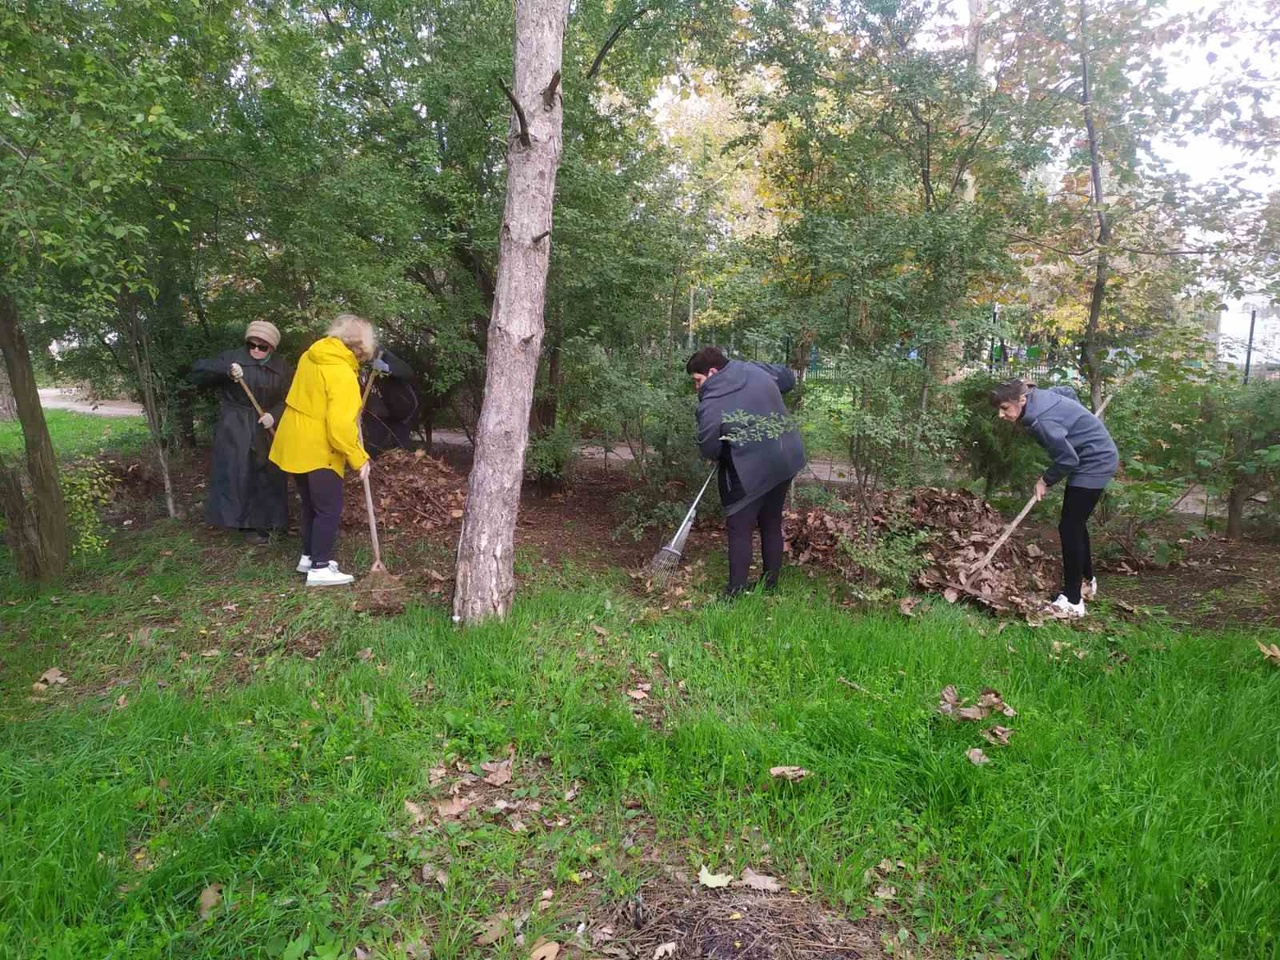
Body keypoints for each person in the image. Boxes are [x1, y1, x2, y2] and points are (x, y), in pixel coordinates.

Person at [991, 379, 1119, 618]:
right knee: (1075, 523)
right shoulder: (1037, 395)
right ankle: (1088, 581)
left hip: (1095, 461)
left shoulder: (1042, 422)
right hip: (1089, 456)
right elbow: (1067, 391)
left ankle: (1073, 601)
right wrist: (1079, 419)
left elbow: (1068, 460)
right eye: (999, 409)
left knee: (1069, 527)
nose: (1001, 414)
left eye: (1005, 408)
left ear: (1021, 400)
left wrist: (1045, 480)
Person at [688, 345, 806, 597]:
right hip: (786, 455)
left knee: (739, 527)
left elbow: (709, 448)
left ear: (712, 372)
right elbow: (787, 378)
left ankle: (734, 594)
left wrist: (724, 449)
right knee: (770, 521)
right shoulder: (752, 369)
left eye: (698, 381)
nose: (697, 387)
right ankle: (770, 585)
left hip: (753, 466)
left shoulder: (712, 399)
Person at [269, 314, 375, 587]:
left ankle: (309, 556)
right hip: (319, 449)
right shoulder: (341, 373)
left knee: (311, 505)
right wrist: (358, 457)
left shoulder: (311, 355)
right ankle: (319, 568)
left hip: (294, 441)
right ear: (361, 347)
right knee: (328, 508)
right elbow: (339, 428)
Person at [189, 320, 292, 544]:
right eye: (251, 345)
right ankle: (244, 524)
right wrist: (225, 370)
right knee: (239, 471)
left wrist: (274, 414)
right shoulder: (232, 358)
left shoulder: (282, 368)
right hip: (235, 425)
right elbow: (197, 371)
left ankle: (272, 522)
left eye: (262, 347)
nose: (255, 350)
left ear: (271, 348)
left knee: (269, 472)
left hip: (265, 424)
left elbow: (290, 399)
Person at [361, 349, 419, 457]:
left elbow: (407, 371)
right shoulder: (354, 365)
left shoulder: (382, 354)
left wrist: (386, 368)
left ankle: (404, 472)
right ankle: (372, 470)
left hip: (398, 410)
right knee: (373, 448)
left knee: (402, 450)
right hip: (376, 414)